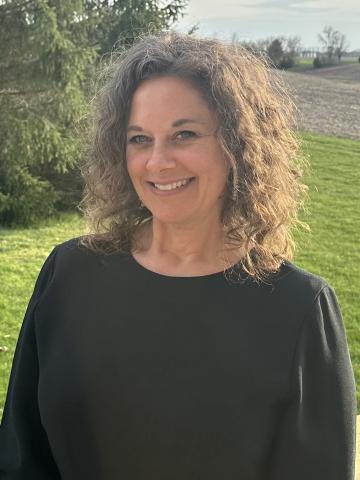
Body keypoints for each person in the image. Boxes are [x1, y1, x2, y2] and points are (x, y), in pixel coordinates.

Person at [0, 32, 356, 480]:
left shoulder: (299, 309)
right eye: (139, 139)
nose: (158, 161)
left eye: (183, 134)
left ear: (238, 147)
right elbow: (19, 452)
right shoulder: (68, 274)